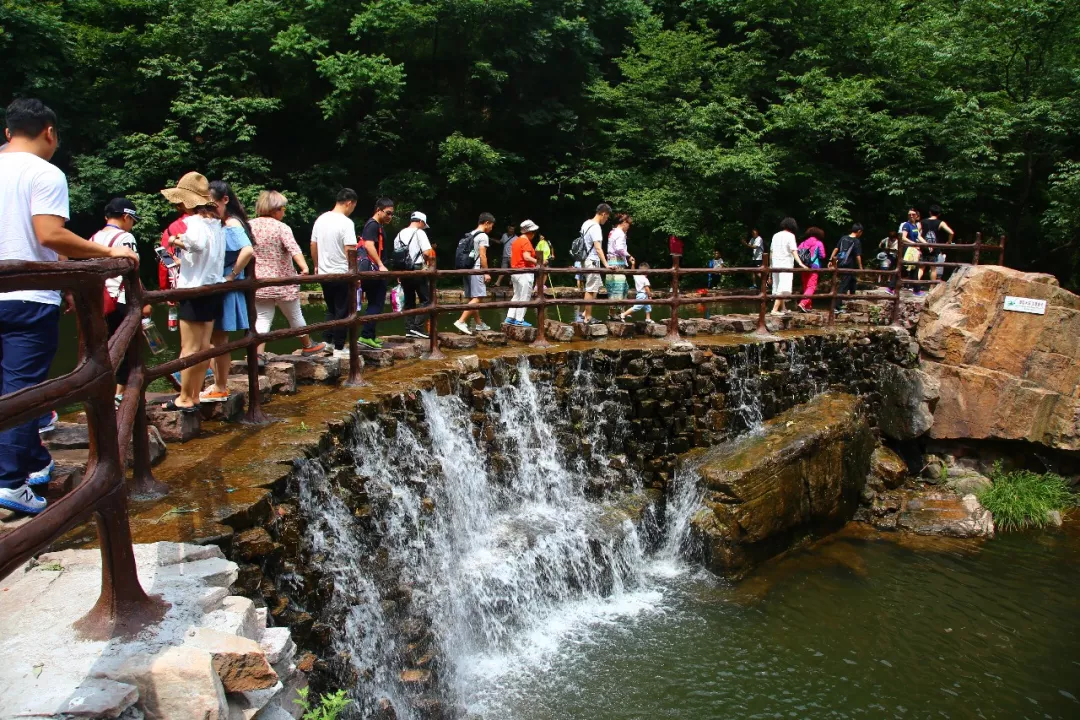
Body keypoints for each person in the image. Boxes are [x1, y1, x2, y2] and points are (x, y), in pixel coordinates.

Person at [0, 99, 139, 514]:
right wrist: (106, 253)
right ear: (49, 131)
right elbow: (49, 234)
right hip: (27, 297)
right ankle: (9, 482)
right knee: (24, 390)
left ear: (8, 133)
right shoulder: (44, 173)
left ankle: (30, 463)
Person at [160, 172, 224, 413]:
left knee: (189, 348)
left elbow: (195, 244)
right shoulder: (216, 224)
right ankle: (194, 395)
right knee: (204, 346)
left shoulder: (194, 223)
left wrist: (177, 240)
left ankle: (185, 398)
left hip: (193, 289)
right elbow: (208, 255)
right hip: (212, 288)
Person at [89, 197, 151, 403]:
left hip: (98, 301)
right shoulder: (125, 238)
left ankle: (101, 394)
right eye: (133, 220)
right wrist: (144, 299)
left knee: (104, 349)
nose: (132, 225)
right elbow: (132, 270)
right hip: (120, 300)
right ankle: (120, 395)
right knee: (125, 347)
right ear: (126, 217)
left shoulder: (93, 238)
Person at [249, 190, 326, 356]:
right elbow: (293, 249)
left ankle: (257, 355)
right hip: (282, 280)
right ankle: (308, 345)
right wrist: (304, 267)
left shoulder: (249, 226)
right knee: (295, 315)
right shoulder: (281, 227)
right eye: (283, 209)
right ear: (275, 209)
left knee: (262, 318)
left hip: (259, 281)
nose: (284, 212)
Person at [200, 180, 255, 403]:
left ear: (225, 200)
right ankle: (218, 384)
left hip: (225, 286)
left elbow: (247, 250)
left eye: (212, 205)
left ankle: (220, 386)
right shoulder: (227, 222)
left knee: (218, 340)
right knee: (217, 340)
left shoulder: (231, 224)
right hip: (222, 285)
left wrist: (231, 275)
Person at [311, 189, 358, 358]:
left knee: (331, 309)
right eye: (353, 206)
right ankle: (339, 347)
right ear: (349, 203)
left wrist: (316, 266)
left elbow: (313, 244)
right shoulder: (346, 223)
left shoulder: (321, 219)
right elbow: (350, 249)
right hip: (341, 272)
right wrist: (354, 273)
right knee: (343, 311)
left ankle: (328, 342)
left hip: (324, 273)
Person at [357, 197, 393, 349]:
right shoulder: (372, 225)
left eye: (392, 214)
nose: (390, 217)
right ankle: (365, 336)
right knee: (376, 303)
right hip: (374, 271)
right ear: (378, 210)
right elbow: (369, 245)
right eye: (388, 213)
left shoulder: (376, 225)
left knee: (375, 303)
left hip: (374, 270)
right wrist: (380, 265)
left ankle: (370, 335)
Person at [393, 211, 435, 339]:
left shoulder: (399, 234)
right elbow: (427, 252)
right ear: (421, 222)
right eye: (423, 224)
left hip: (404, 271)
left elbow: (396, 255)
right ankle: (418, 327)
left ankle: (409, 329)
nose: (423, 227)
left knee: (409, 300)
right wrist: (428, 265)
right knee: (427, 300)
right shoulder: (419, 233)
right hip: (417, 269)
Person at [454, 212, 496, 335]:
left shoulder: (470, 234)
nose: (491, 228)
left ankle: (479, 324)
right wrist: (486, 272)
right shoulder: (483, 236)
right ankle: (461, 321)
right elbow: (483, 255)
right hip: (476, 269)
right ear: (487, 223)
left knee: (473, 298)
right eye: (491, 225)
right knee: (478, 297)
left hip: (467, 269)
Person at [579, 203, 611, 324]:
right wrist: (606, 264)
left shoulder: (586, 223)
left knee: (595, 287)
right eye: (607, 217)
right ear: (603, 214)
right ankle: (588, 317)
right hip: (592, 260)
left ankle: (584, 313)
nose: (606, 219)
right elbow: (598, 248)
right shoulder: (596, 227)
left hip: (585, 259)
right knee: (591, 289)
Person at [769, 217, 806, 315]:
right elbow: (793, 250)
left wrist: (770, 265)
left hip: (775, 263)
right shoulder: (790, 236)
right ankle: (775, 310)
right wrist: (800, 263)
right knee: (783, 287)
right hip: (785, 263)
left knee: (777, 285)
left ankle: (783, 308)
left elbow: (771, 251)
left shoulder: (775, 235)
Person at [505, 220, 539, 327]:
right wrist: (539, 262)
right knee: (524, 296)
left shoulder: (516, 241)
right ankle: (519, 320)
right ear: (530, 231)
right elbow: (526, 257)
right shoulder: (526, 242)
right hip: (524, 272)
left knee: (517, 295)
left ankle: (510, 317)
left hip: (515, 272)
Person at [830, 223, 865, 311]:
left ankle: (852, 298)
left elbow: (836, 249)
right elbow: (858, 256)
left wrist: (831, 260)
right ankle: (837, 306)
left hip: (840, 263)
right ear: (859, 231)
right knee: (844, 284)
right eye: (861, 233)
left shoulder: (843, 238)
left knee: (853, 280)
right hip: (848, 265)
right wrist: (861, 267)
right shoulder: (856, 241)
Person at [796, 227, 826, 312]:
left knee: (806, 286)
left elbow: (797, 253)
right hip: (814, 267)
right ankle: (803, 303)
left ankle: (808, 306)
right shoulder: (818, 243)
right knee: (811, 286)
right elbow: (822, 255)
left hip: (804, 267)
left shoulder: (802, 243)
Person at [923, 205, 955, 282]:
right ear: (939, 214)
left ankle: (916, 287)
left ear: (929, 212)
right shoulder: (941, 223)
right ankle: (931, 287)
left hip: (924, 246)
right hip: (934, 247)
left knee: (921, 267)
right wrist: (949, 242)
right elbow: (951, 232)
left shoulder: (923, 221)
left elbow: (918, 232)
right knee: (933, 268)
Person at [605, 213, 632, 302]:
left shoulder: (612, 231)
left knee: (613, 288)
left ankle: (613, 313)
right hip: (618, 262)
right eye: (629, 224)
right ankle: (618, 313)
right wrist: (628, 256)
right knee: (619, 288)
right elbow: (619, 248)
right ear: (624, 222)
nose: (629, 226)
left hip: (610, 261)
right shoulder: (620, 233)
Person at [899, 208, 925, 294]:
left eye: (913, 214)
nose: (911, 216)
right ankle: (891, 287)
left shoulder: (915, 226)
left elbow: (918, 236)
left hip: (913, 250)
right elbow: (903, 237)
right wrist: (913, 243)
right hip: (908, 250)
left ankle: (916, 290)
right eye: (909, 214)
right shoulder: (906, 225)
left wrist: (927, 244)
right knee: (905, 268)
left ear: (917, 216)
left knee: (913, 269)